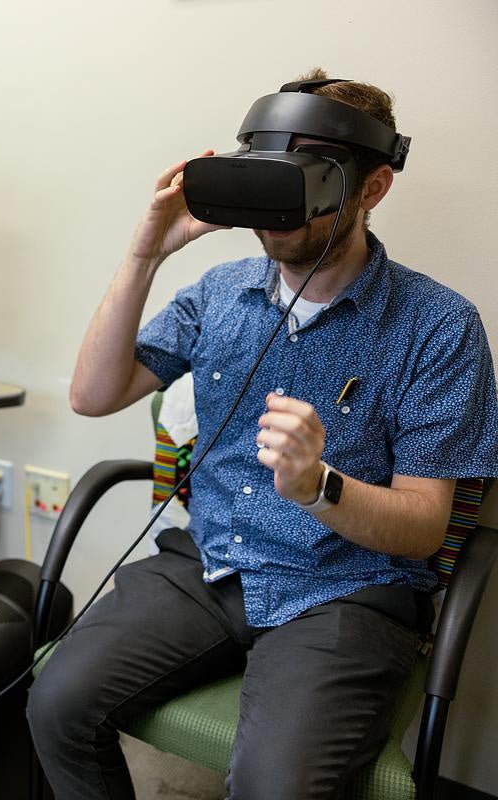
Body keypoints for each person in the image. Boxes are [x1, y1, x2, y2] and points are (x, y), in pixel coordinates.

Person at [27, 70, 498, 799]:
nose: (278, 210)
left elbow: (425, 529)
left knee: (273, 789)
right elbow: (93, 395)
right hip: (210, 563)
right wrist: (146, 253)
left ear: (372, 189)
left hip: (346, 589)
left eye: (306, 178)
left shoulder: (439, 328)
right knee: (55, 703)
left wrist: (320, 486)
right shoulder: (220, 292)